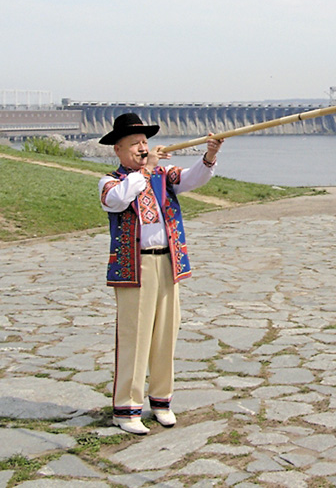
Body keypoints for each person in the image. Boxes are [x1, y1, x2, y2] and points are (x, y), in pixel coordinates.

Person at [97, 112, 223, 435]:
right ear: (118, 150)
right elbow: (117, 199)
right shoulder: (112, 181)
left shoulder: (162, 175)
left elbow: (192, 179)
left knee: (167, 332)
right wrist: (148, 167)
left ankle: (161, 401)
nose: (142, 148)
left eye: (144, 143)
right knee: (134, 336)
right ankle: (126, 408)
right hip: (134, 267)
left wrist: (209, 155)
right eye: (135, 144)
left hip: (167, 261)